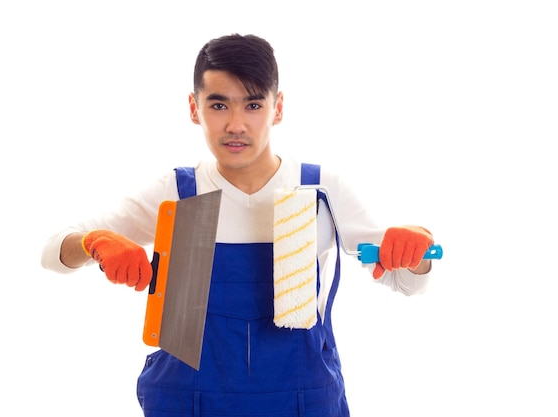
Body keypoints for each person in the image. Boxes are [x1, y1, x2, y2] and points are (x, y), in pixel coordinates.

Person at [41, 33, 435, 417]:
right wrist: (93, 242)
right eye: (218, 106)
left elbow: (407, 281)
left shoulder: (318, 190)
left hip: (302, 401)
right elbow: (52, 253)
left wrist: (416, 250)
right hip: (189, 402)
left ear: (277, 108)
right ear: (194, 109)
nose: (235, 125)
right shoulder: (179, 192)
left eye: (252, 105)